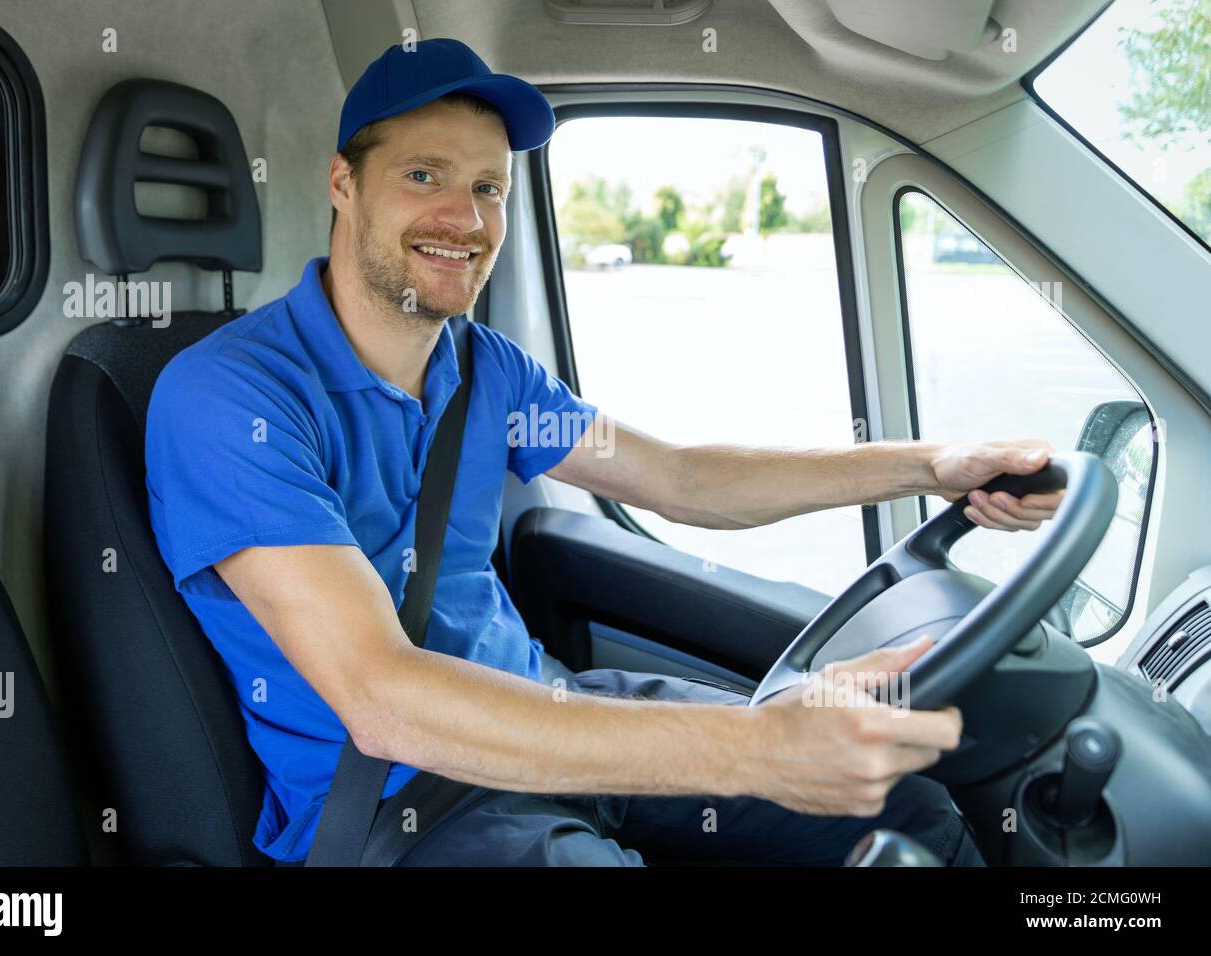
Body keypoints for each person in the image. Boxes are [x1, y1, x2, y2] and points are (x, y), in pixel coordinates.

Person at [145, 38, 1062, 866]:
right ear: (343, 182)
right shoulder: (230, 398)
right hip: (414, 802)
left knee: (912, 816)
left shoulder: (486, 374)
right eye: (423, 176)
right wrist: (756, 749)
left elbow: (681, 479)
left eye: (489, 187)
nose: (465, 219)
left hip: (554, 711)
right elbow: (383, 697)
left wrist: (930, 465)